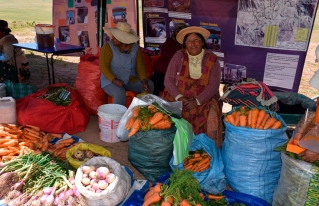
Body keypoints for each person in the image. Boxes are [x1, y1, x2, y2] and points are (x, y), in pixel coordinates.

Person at [162, 26, 223, 147]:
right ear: (184, 44)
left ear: (202, 42)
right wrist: (180, 98)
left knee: (210, 117)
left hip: (204, 99)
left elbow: (214, 85)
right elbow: (168, 80)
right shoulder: (178, 56)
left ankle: (201, 147)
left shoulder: (212, 59)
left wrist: (197, 101)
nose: (192, 44)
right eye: (188, 41)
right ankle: (177, 146)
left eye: (196, 40)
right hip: (179, 98)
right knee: (169, 117)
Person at [100, 22, 154, 106]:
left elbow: (140, 66)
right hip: (110, 81)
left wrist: (144, 81)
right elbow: (103, 66)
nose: (113, 38)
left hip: (129, 81)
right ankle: (118, 118)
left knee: (149, 85)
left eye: (116, 36)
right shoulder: (108, 47)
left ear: (124, 39)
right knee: (120, 93)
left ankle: (140, 112)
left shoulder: (136, 48)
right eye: (113, 35)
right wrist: (114, 80)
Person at [151, 23, 187, 95]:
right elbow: (169, 55)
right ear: (176, 33)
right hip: (162, 71)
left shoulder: (187, 45)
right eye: (179, 32)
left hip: (177, 74)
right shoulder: (169, 42)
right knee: (154, 88)